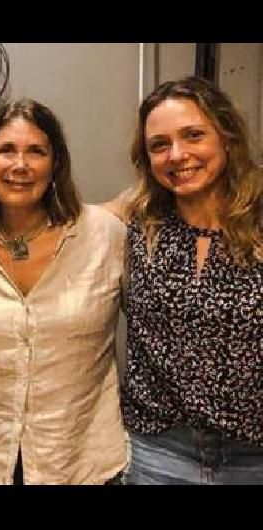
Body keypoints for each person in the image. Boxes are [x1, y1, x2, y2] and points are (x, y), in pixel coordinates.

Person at [0, 99, 127, 484]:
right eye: (6, 150)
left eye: (36, 151)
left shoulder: (104, 235)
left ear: (56, 163)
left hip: (82, 462)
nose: (20, 165)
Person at [109, 76, 263, 485]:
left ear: (226, 136)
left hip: (254, 454)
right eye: (159, 145)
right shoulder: (139, 218)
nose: (177, 155)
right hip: (159, 449)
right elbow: (58, 220)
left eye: (193, 135)